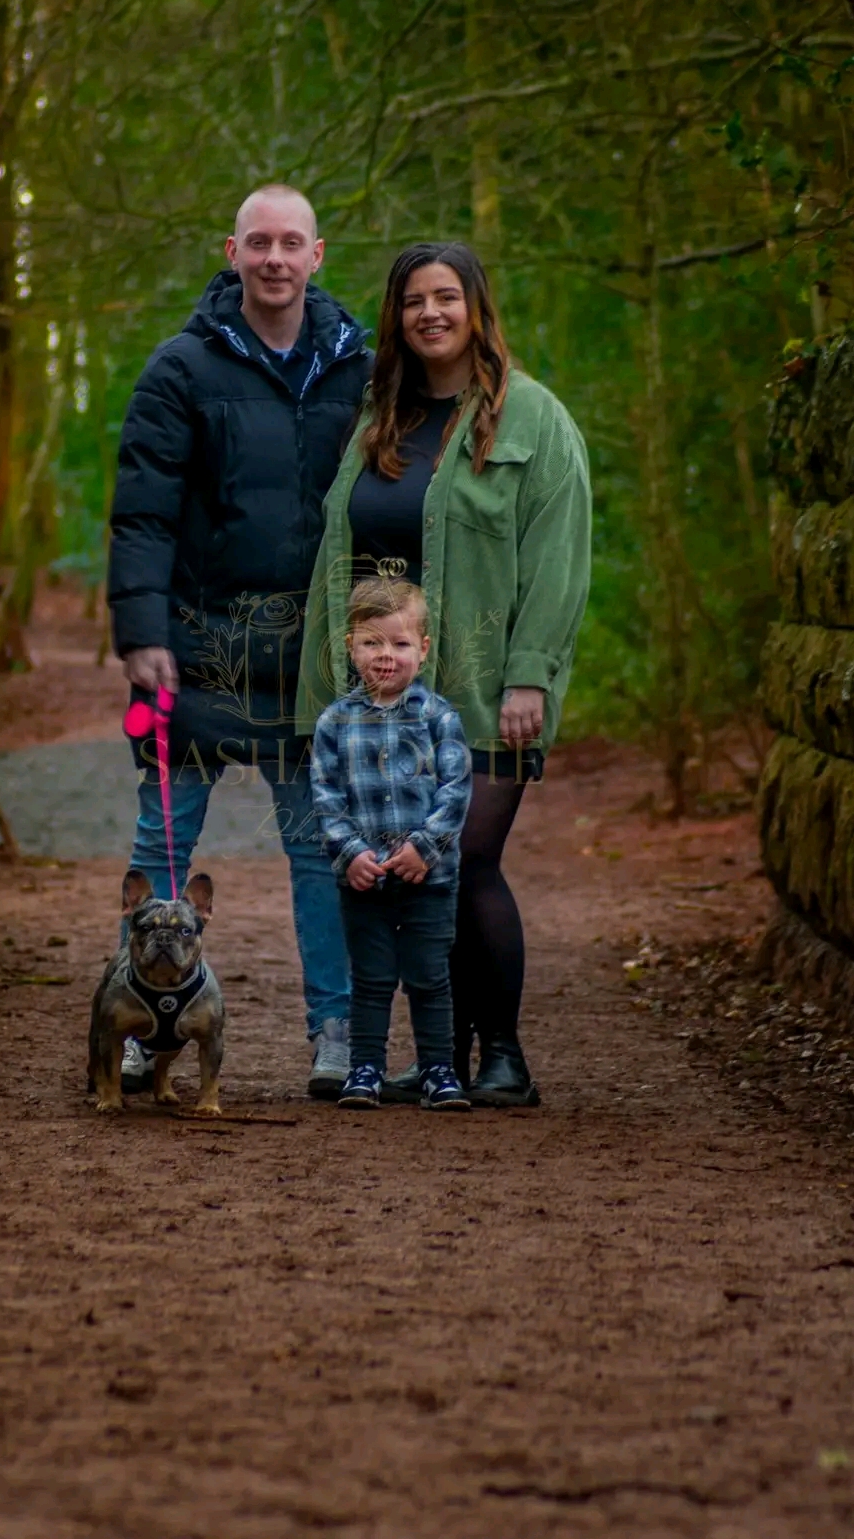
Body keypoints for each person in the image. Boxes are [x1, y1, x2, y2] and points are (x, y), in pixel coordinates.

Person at [298, 241, 592, 1106]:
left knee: (463, 856)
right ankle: (441, 1062)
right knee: (421, 877)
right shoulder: (377, 418)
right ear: (395, 318)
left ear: (475, 308)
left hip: (486, 686)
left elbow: (559, 562)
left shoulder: (533, 418)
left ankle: (504, 1057)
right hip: (383, 700)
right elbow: (334, 559)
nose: (430, 313)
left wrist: (530, 675)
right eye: (412, 300)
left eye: (446, 296)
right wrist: (328, 689)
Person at [108, 185, 372, 1098]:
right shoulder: (179, 367)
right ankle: (137, 1025)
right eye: (258, 242)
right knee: (163, 844)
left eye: (290, 243)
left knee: (318, 848)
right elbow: (142, 512)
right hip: (193, 648)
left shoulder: (360, 369)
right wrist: (141, 633)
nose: (274, 258)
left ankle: (335, 1031)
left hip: (311, 658)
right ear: (232, 252)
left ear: (316, 255)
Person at [310, 577, 473, 1111]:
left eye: (400, 644)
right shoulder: (335, 722)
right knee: (372, 978)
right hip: (365, 880)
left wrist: (426, 846)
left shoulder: (439, 717)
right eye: (372, 643)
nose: (386, 656)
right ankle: (365, 1069)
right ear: (351, 647)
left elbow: (455, 790)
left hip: (430, 877)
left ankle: (438, 1070)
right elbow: (326, 796)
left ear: (422, 650)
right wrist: (350, 852)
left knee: (429, 977)